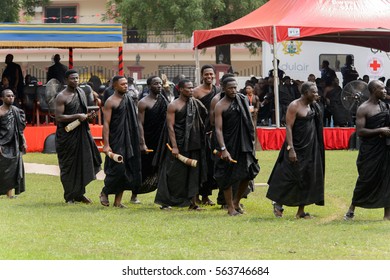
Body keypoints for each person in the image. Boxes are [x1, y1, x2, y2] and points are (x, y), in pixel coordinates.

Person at [266, 82, 324, 219]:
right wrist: (290, 149)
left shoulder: (313, 106)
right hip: (296, 147)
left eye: (317, 92)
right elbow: (289, 127)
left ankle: (301, 212)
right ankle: (278, 203)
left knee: (307, 177)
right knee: (288, 176)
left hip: (310, 148)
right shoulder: (294, 106)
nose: (316, 94)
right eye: (313, 92)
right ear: (304, 93)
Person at [154, 79, 208, 210]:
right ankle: (165, 202)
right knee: (172, 173)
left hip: (194, 143)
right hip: (178, 143)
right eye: (188, 88)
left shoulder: (196, 103)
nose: (191, 90)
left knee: (193, 174)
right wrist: (175, 146)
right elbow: (170, 127)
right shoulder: (173, 105)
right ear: (181, 89)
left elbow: (204, 117)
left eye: (192, 88)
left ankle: (193, 203)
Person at [344, 80, 390, 221]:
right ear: (374, 90)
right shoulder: (363, 108)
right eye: (382, 89)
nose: (385, 91)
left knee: (387, 180)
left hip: (385, 149)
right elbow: (360, 131)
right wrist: (379, 130)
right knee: (366, 179)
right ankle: (352, 209)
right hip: (370, 151)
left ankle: (387, 215)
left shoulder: (384, 106)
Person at [214, 77, 260, 216]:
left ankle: (236, 202)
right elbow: (218, 129)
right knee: (227, 176)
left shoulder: (242, 99)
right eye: (230, 88)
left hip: (244, 143)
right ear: (224, 88)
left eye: (235, 87)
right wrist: (223, 149)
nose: (233, 90)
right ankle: (230, 208)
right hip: (228, 144)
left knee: (248, 173)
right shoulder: (220, 105)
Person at [55, 69, 102, 204]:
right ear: (66, 80)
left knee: (83, 162)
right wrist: (78, 116)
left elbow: (83, 112)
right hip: (67, 135)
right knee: (69, 165)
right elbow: (59, 117)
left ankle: (79, 193)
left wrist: (88, 116)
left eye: (77, 78)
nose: (75, 81)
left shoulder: (81, 92)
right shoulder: (61, 96)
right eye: (72, 78)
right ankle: (69, 196)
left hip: (81, 132)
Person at [99, 76, 142, 208]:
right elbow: (106, 123)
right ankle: (105, 192)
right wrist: (106, 144)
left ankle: (118, 202)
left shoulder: (129, 99)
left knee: (127, 169)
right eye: (122, 84)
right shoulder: (110, 101)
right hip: (116, 139)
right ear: (114, 86)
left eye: (126, 84)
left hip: (130, 138)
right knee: (118, 168)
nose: (125, 86)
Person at [135, 76, 168, 204]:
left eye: (160, 83)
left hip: (161, 139)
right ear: (149, 86)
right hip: (148, 139)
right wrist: (142, 143)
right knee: (144, 168)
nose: (159, 86)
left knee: (162, 168)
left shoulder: (163, 100)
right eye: (155, 84)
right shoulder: (143, 102)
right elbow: (139, 124)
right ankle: (134, 193)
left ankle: (162, 197)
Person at [193, 65, 221, 206]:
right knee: (200, 165)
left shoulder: (218, 90)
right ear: (202, 76)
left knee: (210, 165)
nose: (209, 77)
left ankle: (206, 196)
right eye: (206, 74)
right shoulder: (196, 92)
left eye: (211, 74)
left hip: (214, 132)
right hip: (199, 132)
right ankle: (196, 196)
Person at [0, 89, 27, 198]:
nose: (11, 97)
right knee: (2, 169)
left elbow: (20, 129)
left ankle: (9, 195)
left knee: (13, 169)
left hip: (14, 143)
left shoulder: (16, 111)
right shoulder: (0, 111)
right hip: (2, 143)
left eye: (12, 96)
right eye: (8, 96)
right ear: (2, 98)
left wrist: (23, 140)